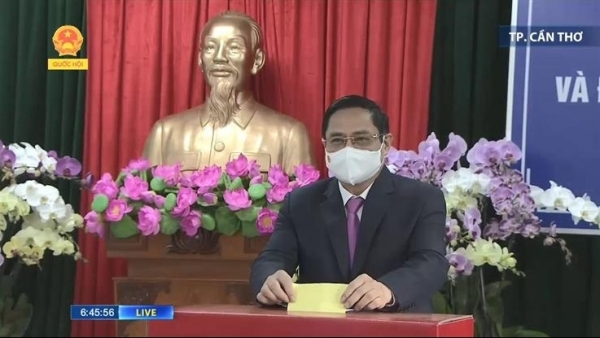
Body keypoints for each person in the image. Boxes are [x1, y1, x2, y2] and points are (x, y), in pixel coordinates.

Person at [249, 95, 449, 313]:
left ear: (386, 144)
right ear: (325, 146)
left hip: (397, 324)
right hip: (322, 326)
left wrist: (389, 290)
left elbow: (431, 262)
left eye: (361, 139)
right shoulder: (300, 202)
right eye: (337, 140)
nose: (348, 149)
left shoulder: (421, 199)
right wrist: (270, 280)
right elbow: (272, 258)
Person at [142, 11, 315, 173]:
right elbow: (144, 201)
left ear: (257, 60)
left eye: (233, 48)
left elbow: (306, 204)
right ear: (200, 60)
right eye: (210, 47)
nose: (219, 57)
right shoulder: (165, 133)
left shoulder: (289, 135)